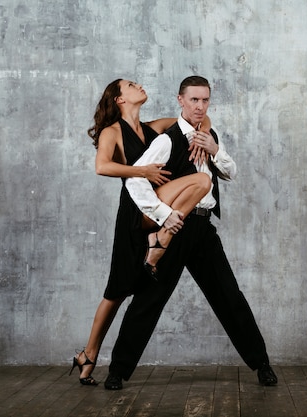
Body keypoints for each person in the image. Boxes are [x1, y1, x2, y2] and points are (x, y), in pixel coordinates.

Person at [103, 75, 278, 390]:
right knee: (149, 300)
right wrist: (164, 215)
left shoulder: (209, 135)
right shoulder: (167, 140)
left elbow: (230, 172)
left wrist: (215, 149)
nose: (200, 106)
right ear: (180, 100)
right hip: (175, 226)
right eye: (194, 100)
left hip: (202, 226)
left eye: (205, 100)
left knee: (229, 296)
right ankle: (117, 370)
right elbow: (134, 182)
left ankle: (261, 363)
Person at [69, 79, 212, 385]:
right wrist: (141, 170)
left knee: (136, 286)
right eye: (132, 85)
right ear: (120, 99)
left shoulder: (152, 127)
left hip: (156, 208)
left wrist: (201, 136)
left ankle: (160, 239)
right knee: (117, 290)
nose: (140, 85)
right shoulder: (113, 132)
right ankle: (89, 354)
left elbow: (197, 117)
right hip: (134, 212)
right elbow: (102, 166)